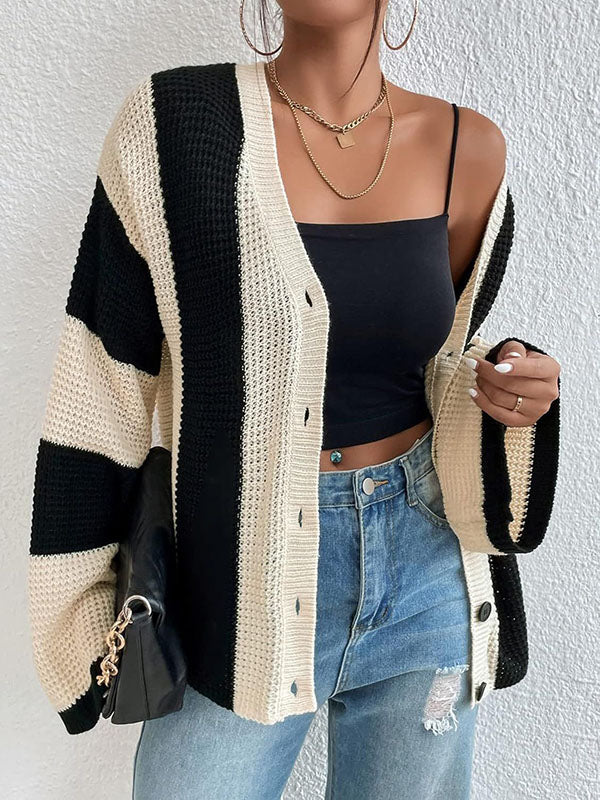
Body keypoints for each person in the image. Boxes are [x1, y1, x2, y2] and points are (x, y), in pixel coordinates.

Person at [27, 2, 561, 798]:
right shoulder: (174, 129)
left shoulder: (469, 149)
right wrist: (75, 610)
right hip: (237, 584)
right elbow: (102, 381)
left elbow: (437, 360)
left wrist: (513, 382)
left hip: (427, 570)